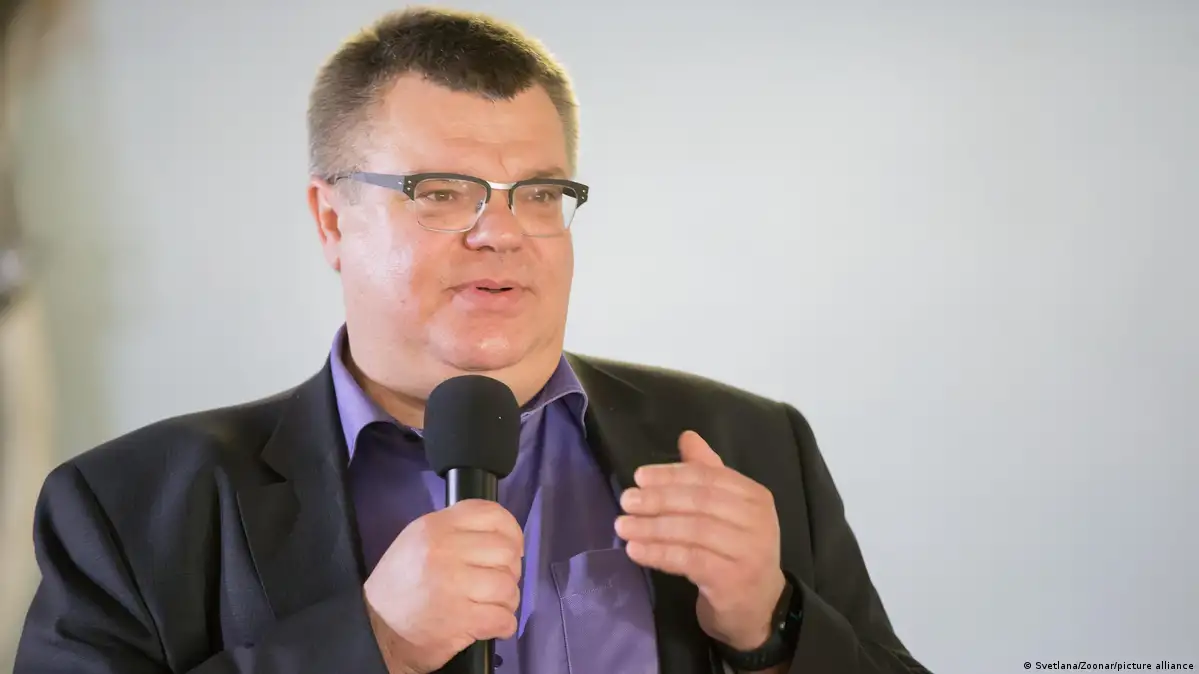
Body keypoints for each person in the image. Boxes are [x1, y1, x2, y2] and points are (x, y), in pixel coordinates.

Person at [14, 7, 931, 674]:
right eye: (441, 192)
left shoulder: (751, 447)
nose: (501, 233)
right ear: (331, 221)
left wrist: (772, 629)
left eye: (540, 194)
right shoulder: (128, 508)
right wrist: (372, 643)